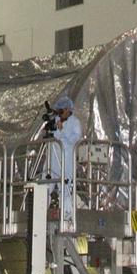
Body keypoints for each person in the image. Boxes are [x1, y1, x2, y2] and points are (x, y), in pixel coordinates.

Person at [46, 95, 83, 226]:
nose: (61, 113)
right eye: (59, 111)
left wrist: (62, 131)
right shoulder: (55, 120)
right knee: (46, 186)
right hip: (53, 159)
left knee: (65, 188)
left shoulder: (75, 123)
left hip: (66, 160)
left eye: (62, 110)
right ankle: (41, 212)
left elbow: (75, 139)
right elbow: (52, 136)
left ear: (68, 109)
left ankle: (67, 217)